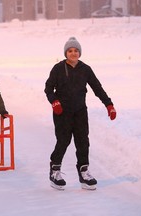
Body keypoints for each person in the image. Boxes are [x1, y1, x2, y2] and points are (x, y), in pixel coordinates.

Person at [44, 37, 116, 190]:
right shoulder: (58, 68)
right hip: (62, 112)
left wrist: (109, 104)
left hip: (80, 111)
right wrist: (54, 102)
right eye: (70, 51)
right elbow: (48, 88)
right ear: (65, 53)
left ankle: (84, 172)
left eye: (76, 50)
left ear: (80, 53)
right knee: (63, 141)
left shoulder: (85, 69)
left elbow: (97, 88)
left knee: (83, 141)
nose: (73, 53)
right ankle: (55, 170)